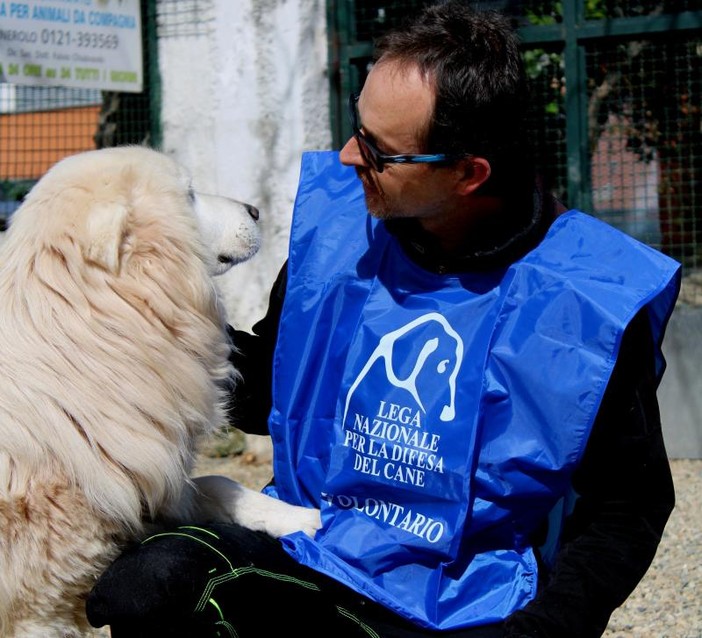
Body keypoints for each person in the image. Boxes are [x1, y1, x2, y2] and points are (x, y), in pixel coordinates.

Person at [86, 2, 681, 637]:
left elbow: (628, 506)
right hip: (318, 555)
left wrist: (547, 628)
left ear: (468, 173)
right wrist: (126, 329)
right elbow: (265, 390)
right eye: (356, 128)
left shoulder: (583, 301)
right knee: (145, 582)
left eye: (377, 149)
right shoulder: (345, 234)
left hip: (460, 604)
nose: (346, 156)